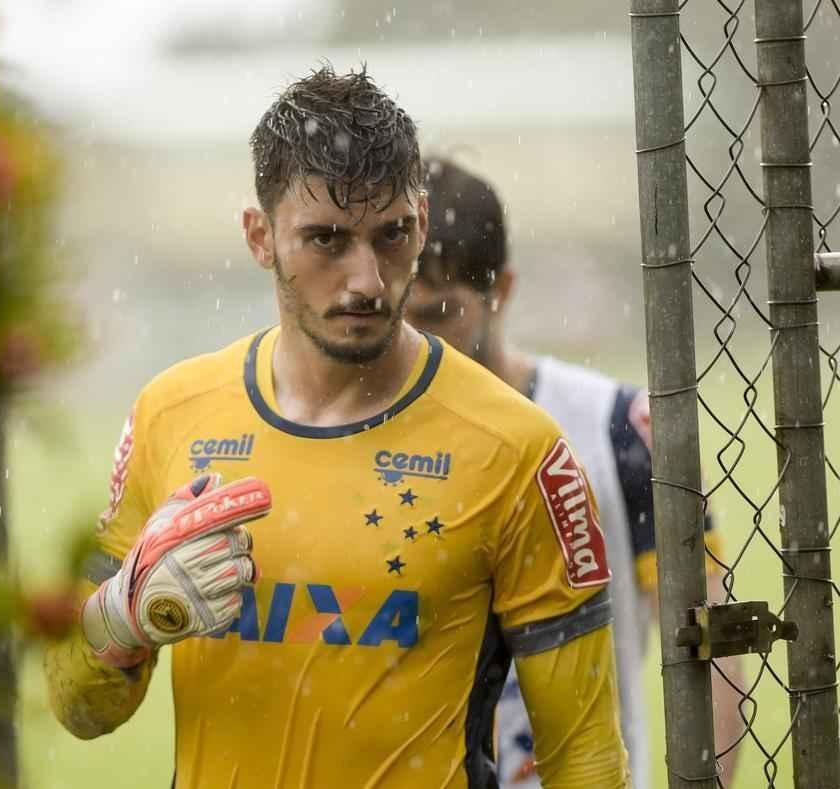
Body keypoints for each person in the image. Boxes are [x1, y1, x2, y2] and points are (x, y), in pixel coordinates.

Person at [44, 65, 630, 788]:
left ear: (420, 220)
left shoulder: (518, 447)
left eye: (392, 236)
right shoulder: (172, 414)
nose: (367, 280)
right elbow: (77, 707)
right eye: (326, 239)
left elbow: (588, 759)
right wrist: (121, 621)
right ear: (260, 237)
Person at [404, 157, 743, 788]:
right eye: (403, 317)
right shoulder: (366, 436)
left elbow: (710, 641)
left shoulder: (619, 428)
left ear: (500, 290)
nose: (419, 341)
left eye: (441, 314)